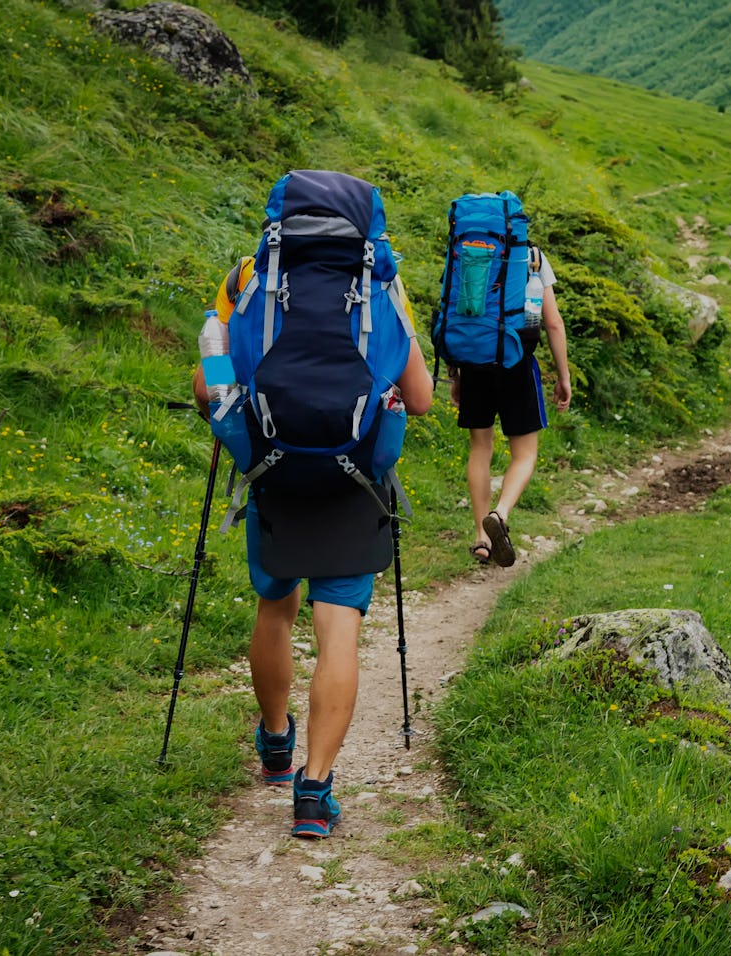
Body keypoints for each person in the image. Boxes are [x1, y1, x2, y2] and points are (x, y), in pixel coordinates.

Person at [193, 256, 432, 838]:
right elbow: (421, 399)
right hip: (355, 480)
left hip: (274, 473)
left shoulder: (249, 275)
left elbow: (207, 387)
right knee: (339, 625)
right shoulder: (382, 283)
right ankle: (314, 791)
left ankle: (276, 743)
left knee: (275, 605)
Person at [448, 251, 571, 568]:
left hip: (475, 360)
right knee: (525, 454)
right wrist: (563, 376)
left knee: (480, 448)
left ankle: (481, 538)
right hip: (517, 360)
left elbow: (456, 312)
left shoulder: (468, 253)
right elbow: (553, 323)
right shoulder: (533, 257)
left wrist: (455, 372)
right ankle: (499, 515)